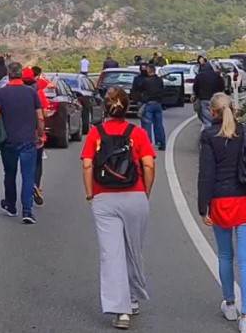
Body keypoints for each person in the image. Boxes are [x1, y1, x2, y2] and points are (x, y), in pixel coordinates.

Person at [81, 88, 157, 330]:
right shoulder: (138, 133)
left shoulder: (96, 133)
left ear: (105, 108)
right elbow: (148, 165)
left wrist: (90, 194)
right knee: (133, 249)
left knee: (111, 253)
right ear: (127, 107)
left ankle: (120, 310)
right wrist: (145, 192)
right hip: (135, 195)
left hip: (104, 198)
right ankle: (133, 298)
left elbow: (87, 165)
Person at [198, 92, 246, 333]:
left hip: (222, 202)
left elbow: (207, 174)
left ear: (212, 112)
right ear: (234, 109)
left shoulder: (209, 136)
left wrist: (203, 207)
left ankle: (229, 303)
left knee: (225, 255)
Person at [0, 62, 45, 225]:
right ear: (21, 74)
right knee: (28, 176)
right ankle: (27, 211)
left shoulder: (2, 92)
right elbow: (40, 117)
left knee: (10, 174)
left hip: (8, 141)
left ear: (8, 74)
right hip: (28, 141)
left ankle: (11, 206)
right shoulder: (31, 92)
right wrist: (40, 134)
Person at [29, 65, 53, 205]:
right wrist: (41, 133)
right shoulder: (38, 92)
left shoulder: (15, 91)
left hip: (18, 134)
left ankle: (28, 184)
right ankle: (35, 185)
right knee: (37, 162)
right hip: (35, 133)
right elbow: (42, 115)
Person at [132, 64, 167, 150]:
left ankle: (147, 143)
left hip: (149, 104)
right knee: (159, 124)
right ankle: (161, 143)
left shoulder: (146, 81)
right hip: (158, 104)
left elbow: (139, 89)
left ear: (149, 70)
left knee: (147, 124)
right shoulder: (159, 80)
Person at [193, 56, 227, 130]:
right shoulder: (217, 76)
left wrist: (197, 96)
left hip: (204, 99)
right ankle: (217, 129)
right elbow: (222, 86)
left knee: (206, 117)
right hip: (215, 99)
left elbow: (195, 87)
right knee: (217, 115)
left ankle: (208, 131)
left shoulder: (199, 76)